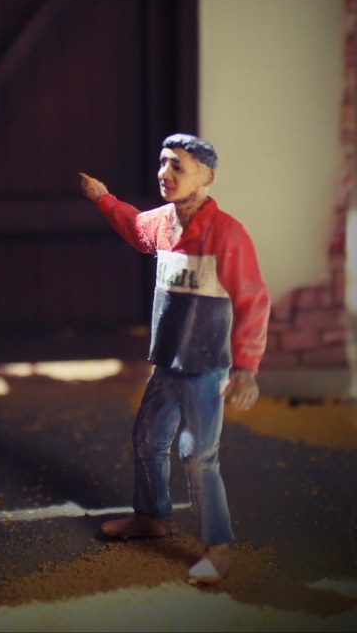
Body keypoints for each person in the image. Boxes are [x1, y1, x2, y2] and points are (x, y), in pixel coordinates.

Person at [79, 133, 270, 585]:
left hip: (205, 367)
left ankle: (217, 550)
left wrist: (246, 368)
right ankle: (150, 517)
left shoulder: (226, 233)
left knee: (197, 455)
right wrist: (104, 199)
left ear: (206, 177)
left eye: (177, 166)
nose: (164, 174)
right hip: (168, 362)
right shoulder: (164, 223)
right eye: (163, 163)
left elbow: (252, 301)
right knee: (148, 438)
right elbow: (134, 226)